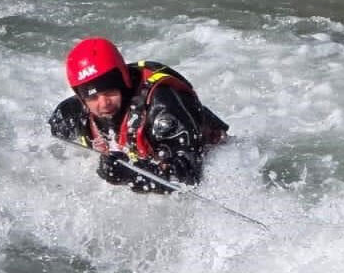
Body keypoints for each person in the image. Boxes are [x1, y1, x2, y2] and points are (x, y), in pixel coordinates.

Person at [49, 37, 229, 192]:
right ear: (81, 98)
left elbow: (188, 177)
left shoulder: (162, 107)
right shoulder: (71, 114)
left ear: (123, 81)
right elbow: (49, 136)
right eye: (93, 97)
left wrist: (129, 173)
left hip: (213, 157)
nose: (104, 103)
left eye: (110, 92)